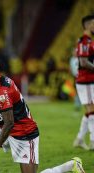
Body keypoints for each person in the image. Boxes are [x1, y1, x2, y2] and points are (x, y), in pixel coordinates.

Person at [73, 14, 94, 151]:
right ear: (87, 25)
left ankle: (80, 139)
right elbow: (83, 61)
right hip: (85, 80)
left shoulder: (89, 41)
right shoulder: (84, 41)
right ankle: (93, 141)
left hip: (90, 80)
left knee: (90, 111)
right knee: (92, 111)